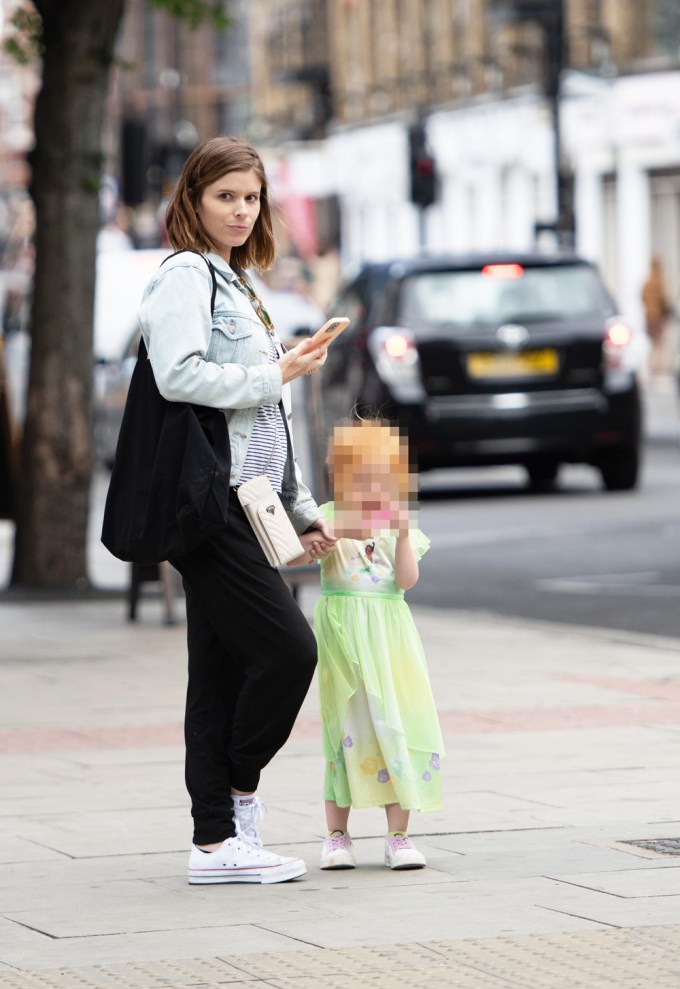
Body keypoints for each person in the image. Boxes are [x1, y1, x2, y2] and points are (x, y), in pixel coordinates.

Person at [137, 136, 336, 885]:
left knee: (216, 673)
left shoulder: (238, 281)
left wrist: (304, 509)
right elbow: (181, 373)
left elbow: (272, 424)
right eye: (225, 196)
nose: (240, 210)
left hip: (249, 505)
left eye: (250, 197)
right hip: (208, 503)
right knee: (290, 652)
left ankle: (215, 842)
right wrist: (272, 369)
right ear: (193, 200)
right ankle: (237, 796)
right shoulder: (187, 276)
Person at [300, 419, 444, 870]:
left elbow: (406, 581)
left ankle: (398, 835)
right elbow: (295, 555)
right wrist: (327, 537)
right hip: (345, 646)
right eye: (358, 479)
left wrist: (400, 534)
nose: (370, 490)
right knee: (343, 733)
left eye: (381, 480)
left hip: (390, 644)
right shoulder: (327, 517)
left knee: (395, 727)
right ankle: (337, 836)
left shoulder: (399, 530)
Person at [641, 254, 672, 375]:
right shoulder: (659, 282)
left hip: (649, 317)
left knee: (654, 343)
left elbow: (642, 297)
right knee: (659, 343)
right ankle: (658, 367)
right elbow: (664, 300)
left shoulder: (647, 282)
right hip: (658, 317)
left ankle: (653, 366)